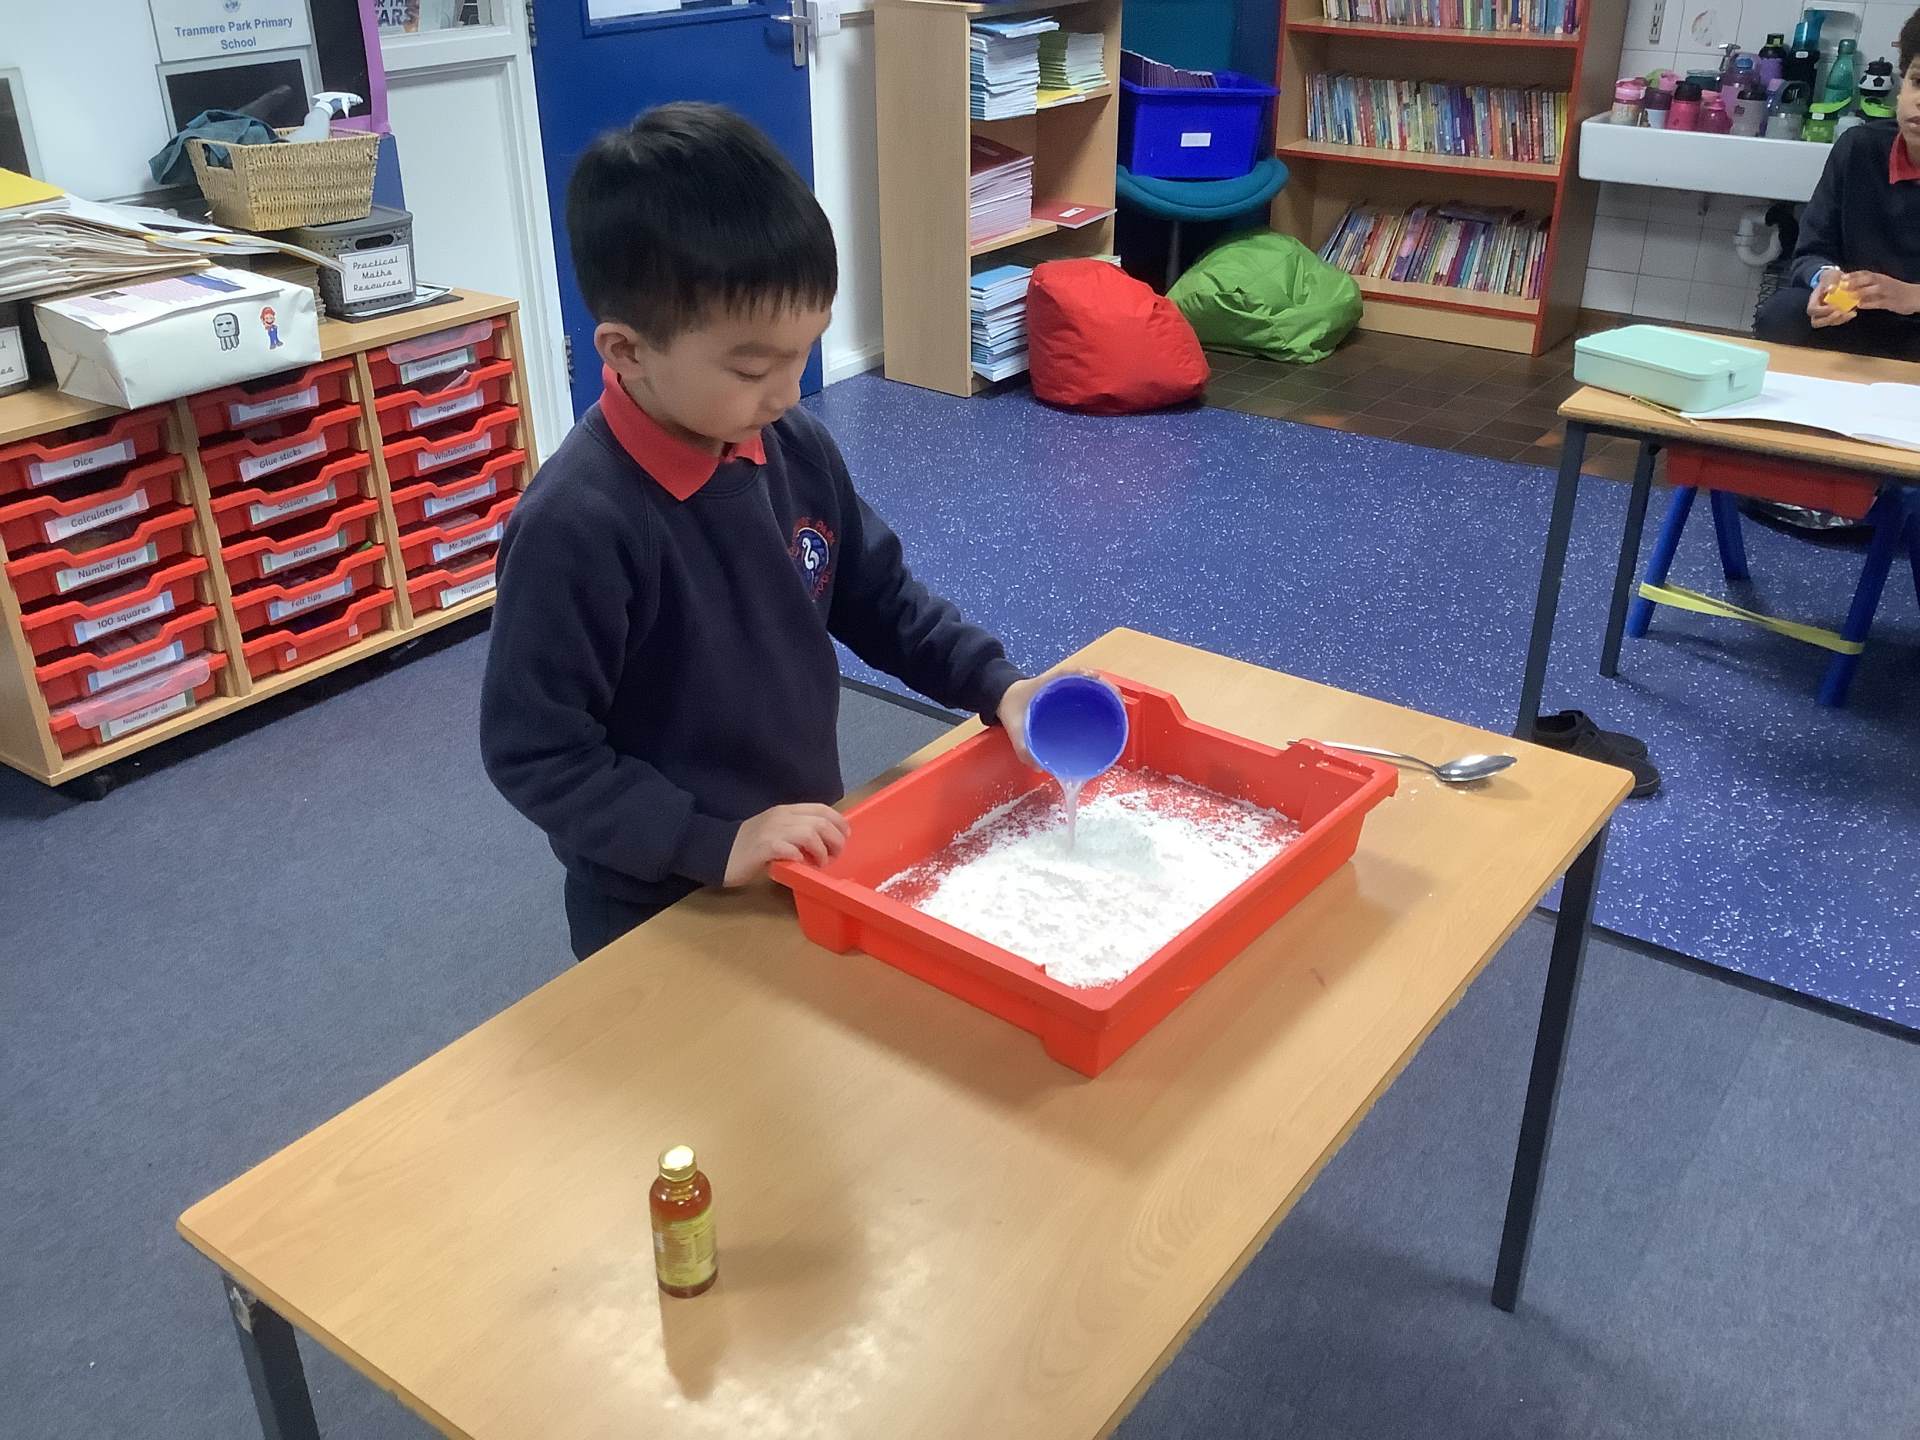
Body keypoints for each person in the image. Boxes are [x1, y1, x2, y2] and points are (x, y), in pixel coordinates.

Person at [481, 104, 1044, 961]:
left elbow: (879, 598)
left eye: (804, 351)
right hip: (657, 899)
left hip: (800, 846)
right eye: (751, 368)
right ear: (627, 351)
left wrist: (995, 684)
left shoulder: (791, 445)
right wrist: (712, 842)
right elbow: (537, 749)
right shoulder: (576, 525)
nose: (786, 392)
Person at [1752, 8, 1920, 358]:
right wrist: (1825, 279)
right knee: (1782, 314)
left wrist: (1911, 296)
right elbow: (1812, 250)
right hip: (1858, 317)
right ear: (1902, 83)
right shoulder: (1859, 148)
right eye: (1918, 82)